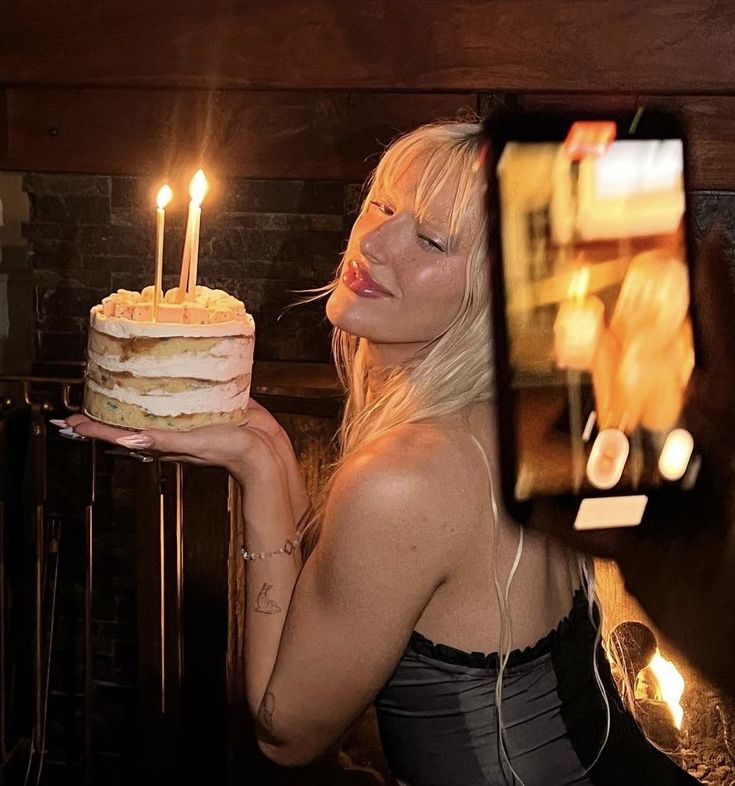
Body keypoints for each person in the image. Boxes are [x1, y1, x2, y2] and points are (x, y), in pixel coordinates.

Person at [62, 121, 710, 785]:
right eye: (383, 205)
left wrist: (260, 471)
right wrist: (268, 450)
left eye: (429, 238)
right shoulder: (529, 415)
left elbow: (285, 731)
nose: (373, 242)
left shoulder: (409, 474)